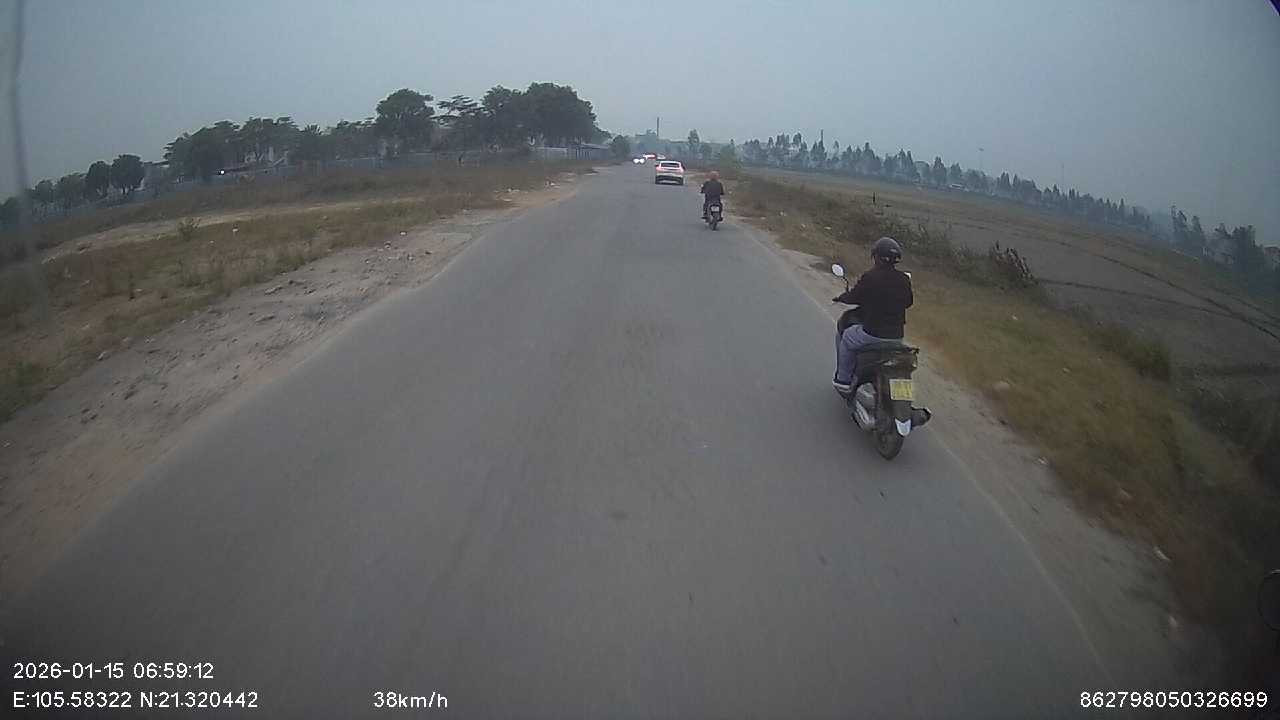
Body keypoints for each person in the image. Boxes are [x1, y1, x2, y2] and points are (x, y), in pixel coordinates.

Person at [831, 237, 913, 393]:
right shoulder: (904, 279)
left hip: (872, 334)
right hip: (897, 337)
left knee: (847, 337)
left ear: (876, 256)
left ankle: (843, 380)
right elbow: (908, 302)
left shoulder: (871, 276)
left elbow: (855, 296)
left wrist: (841, 298)